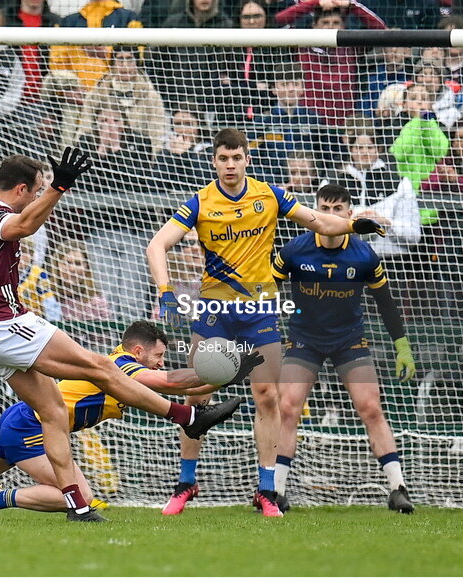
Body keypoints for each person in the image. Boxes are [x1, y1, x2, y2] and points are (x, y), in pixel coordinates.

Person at [0, 148, 245, 522]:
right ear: (22, 189)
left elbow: (26, 222)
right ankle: (187, 418)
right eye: (36, 191)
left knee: (52, 412)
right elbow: (23, 226)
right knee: (101, 367)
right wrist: (58, 187)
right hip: (2, 323)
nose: (37, 199)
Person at [146, 128, 386, 517]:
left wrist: (353, 224)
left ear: (246, 159)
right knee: (196, 397)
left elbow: (321, 223)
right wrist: (165, 291)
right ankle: (186, 484)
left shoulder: (269, 195)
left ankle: (266, 490)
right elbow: (157, 244)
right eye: (223, 159)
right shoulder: (200, 202)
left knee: (268, 397)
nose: (229, 165)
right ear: (214, 162)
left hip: (259, 311)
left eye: (236, 158)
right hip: (215, 313)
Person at [0, 320, 260, 519]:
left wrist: (225, 371)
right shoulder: (123, 367)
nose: (161, 362)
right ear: (139, 350)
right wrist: (226, 370)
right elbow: (169, 383)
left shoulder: (119, 364)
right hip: (31, 427)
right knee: (79, 499)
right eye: (158, 355)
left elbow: (166, 380)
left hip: (22, 419)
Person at [271, 184, 416, 513]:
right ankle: (275, 491)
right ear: (315, 211)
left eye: (338, 209)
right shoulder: (295, 249)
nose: (330, 214)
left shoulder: (364, 254)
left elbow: (385, 303)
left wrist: (402, 345)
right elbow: (266, 291)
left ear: (350, 215)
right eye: (325, 207)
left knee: (371, 409)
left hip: (348, 339)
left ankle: (398, 488)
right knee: (289, 407)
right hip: (304, 338)